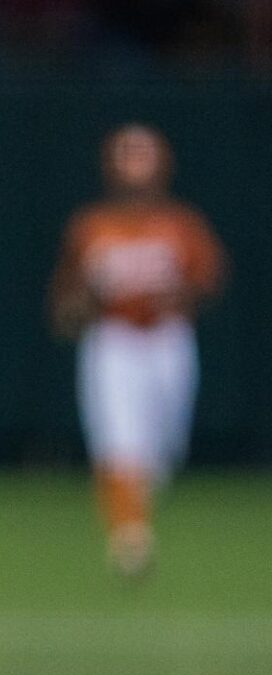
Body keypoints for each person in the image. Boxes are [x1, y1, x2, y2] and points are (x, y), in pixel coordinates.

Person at [49, 123, 226, 577]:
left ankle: (135, 512)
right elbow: (64, 305)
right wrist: (86, 302)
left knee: (163, 449)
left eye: (143, 153)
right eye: (126, 154)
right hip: (113, 342)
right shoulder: (92, 226)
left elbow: (208, 283)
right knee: (119, 442)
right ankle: (130, 538)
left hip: (168, 341)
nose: (135, 164)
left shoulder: (180, 224)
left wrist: (172, 296)